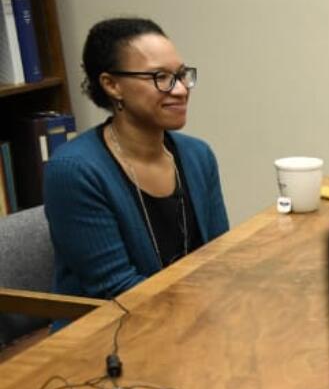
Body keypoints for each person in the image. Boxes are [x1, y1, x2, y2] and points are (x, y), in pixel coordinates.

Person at [44, 17, 228, 301]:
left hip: (195, 316)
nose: (180, 89)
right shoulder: (74, 171)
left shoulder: (198, 156)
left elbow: (220, 256)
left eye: (181, 75)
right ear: (112, 85)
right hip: (111, 332)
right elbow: (117, 289)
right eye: (160, 77)